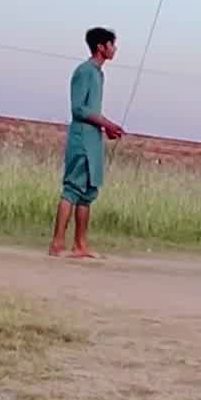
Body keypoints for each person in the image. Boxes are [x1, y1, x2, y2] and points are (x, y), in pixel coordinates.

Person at [49, 27, 124, 258]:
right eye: (111, 44)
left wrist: (106, 127)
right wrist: (107, 123)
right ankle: (57, 244)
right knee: (72, 188)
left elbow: (93, 110)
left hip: (93, 137)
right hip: (81, 137)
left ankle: (80, 245)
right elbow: (79, 109)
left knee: (88, 191)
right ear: (101, 47)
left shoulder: (99, 74)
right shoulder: (84, 71)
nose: (114, 48)